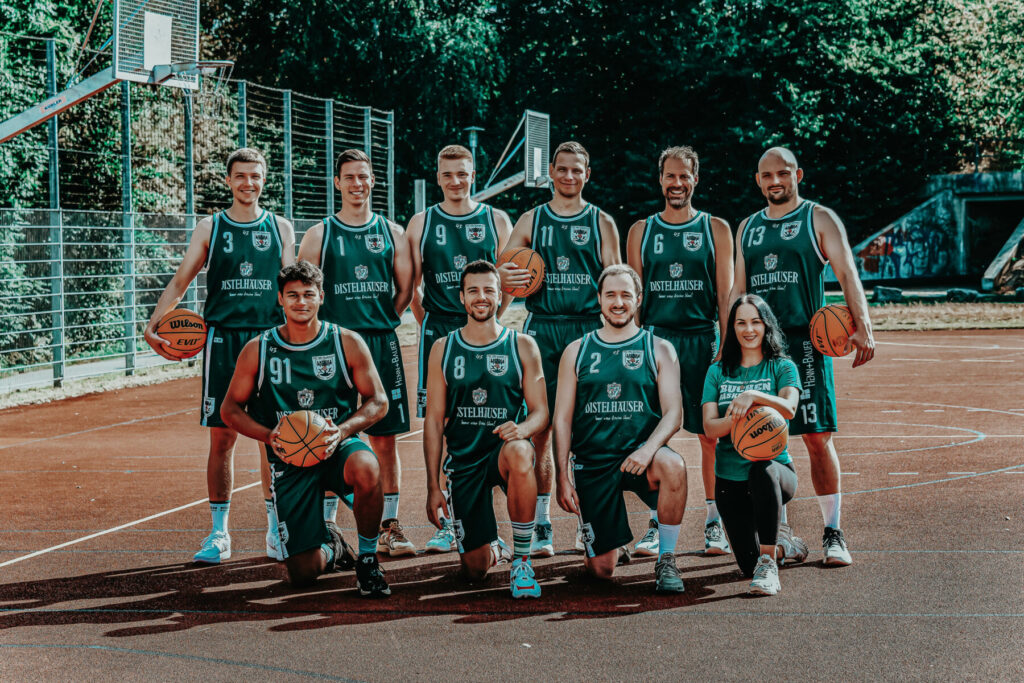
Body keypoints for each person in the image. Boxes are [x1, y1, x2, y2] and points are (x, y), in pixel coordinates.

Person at [143, 148, 295, 564]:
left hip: (268, 341)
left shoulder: (280, 227)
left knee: (273, 439)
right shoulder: (211, 226)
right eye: (241, 176)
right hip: (223, 340)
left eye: (255, 175)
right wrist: (153, 323)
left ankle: (275, 530)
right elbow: (181, 280)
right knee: (222, 437)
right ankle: (219, 533)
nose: (249, 183)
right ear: (228, 180)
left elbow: (291, 288)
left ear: (265, 179)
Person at [732, 147, 876, 566]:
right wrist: (727, 341)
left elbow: (846, 272)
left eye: (782, 173)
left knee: (817, 437)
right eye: (767, 175)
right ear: (758, 180)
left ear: (797, 175)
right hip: (758, 344)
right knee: (762, 439)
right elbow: (738, 289)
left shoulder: (818, 218)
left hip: (807, 342)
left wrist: (863, 324)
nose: (775, 181)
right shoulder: (748, 227)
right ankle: (780, 534)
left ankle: (833, 532)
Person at [220, 261, 390, 596]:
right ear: (280, 299)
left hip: (337, 447)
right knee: (302, 573)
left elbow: (379, 401)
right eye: (293, 295)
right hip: (290, 459)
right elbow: (229, 409)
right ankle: (333, 547)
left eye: (308, 294)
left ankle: (368, 559)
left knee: (367, 466)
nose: (301, 302)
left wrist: (343, 431)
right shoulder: (258, 350)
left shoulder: (346, 342)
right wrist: (267, 435)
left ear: (321, 297)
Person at [297, 149, 415, 558]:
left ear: (372, 181)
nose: (357, 183)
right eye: (349, 177)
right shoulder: (319, 234)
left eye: (363, 176)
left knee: (385, 439)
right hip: (332, 348)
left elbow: (405, 290)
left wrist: (377, 322)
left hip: (381, 342)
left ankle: (389, 526)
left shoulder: (393, 232)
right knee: (324, 433)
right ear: (337, 182)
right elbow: (306, 292)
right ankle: (328, 525)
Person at [505, 141, 620, 556]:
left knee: (591, 431)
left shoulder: (601, 221)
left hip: (589, 331)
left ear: (587, 175)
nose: (569, 176)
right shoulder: (531, 219)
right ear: (551, 172)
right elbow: (503, 269)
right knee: (541, 429)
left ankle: (590, 521)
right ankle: (541, 522)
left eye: (577, 170)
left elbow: (616, 281)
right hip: (543, 328)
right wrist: (507, 275)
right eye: (563, 169)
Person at [406, 144, 517, 553]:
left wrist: (489, 321)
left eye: (463, 173)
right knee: (445, 421)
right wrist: (431, 323)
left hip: (487, 335)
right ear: (438, 177)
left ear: (474, 175)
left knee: (489, 419)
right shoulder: (421, 222)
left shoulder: (496, 219)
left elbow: (508, 282)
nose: (456, 181)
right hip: (439, 330)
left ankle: (490, 523)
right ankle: (451, 520)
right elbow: (412, 287)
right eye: (448, 174)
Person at [552, 264, 688, 593]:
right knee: (601, 571)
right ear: (598, 298)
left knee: (673, 464)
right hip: (594, 463)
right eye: (610, 295)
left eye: (626, 295)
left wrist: (648, 449)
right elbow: (562, 419)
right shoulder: (576, 351)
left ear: (638, 299)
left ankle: (666, 558)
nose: (618, 302)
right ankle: (609, 546)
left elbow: (674, 413)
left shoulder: (659, 348)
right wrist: (561, 476)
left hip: (641, 457)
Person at [626, 145, 734, 558]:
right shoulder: (641, 231)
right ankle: (657, 521)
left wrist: (725, 348)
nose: (677, 183)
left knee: (711, 437)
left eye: (684, 176)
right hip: (656, 343)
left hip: (702, 339)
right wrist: (634, 349)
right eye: (670, 176)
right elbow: (634, 298)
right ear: (660, 180)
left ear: (695, 179)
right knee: (654, 436)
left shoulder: (715, 228)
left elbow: (724, 296)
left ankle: (714, 521)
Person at [423, 260, 548, 598]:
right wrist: (433, 486)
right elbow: (434, 421)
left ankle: (522, 561)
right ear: (462, 297)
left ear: (500, 295)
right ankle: (493, 547)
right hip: (464, 464)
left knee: (520, 451)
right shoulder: (442, 349)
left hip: (502, 453)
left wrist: (523, 428)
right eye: (473, 291)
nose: (482, 297)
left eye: (489, 290)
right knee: (474, 571)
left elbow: (541, 412)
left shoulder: (522, 345)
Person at [702, 295, 810, 595]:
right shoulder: (717, 371)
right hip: (730, 480)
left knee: (761, 470)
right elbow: (709, 427)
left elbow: (789, 408)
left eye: (755, 322)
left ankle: (769, 561)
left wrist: (754, 397)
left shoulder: (782, 366)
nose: (748, 329)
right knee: (747, 567)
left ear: (766, 325)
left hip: (775, 473)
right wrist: (739, 420)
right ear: (732, 328)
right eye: (741, 323)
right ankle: (782, 547)